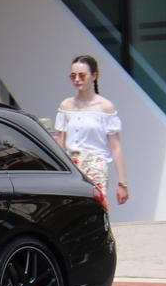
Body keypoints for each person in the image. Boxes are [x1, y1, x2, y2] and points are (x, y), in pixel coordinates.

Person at [55, 55, 128, 206]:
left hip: (95, 165)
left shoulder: (105, 107)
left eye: (82, 75)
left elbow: (116, 146)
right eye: (73, 76)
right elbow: (61, 143)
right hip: (71, 165)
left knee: (95, 208)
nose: (77, 80)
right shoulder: (66, 105)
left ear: (94, 76)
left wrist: (122, 183)